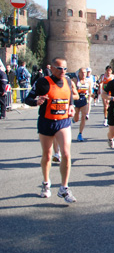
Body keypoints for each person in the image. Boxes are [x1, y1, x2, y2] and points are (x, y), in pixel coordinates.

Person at [24, 57, 77, 203]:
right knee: (47, 156)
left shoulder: (67, 81)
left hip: (63, 122)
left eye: (65, 68)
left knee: (66, 154)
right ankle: (46, 183)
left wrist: (71, 107)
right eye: (59, 68)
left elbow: (70, 97)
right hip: (46, 122)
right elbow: (28, 99)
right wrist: (37, 101)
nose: (63, 71)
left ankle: (64, 188)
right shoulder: (42, 82)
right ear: (52, 68)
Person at [73, 67, 93, 142]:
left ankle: (80, 134)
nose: (84, 74)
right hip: (76, 100)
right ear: (79, 73)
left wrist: (89, 100)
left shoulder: (88, 81)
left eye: (85, 72)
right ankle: (74, 118)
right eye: (82, 72)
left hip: (84, 100)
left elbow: (90, 91)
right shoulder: (75, 80)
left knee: (83, 116)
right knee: (76, 118)